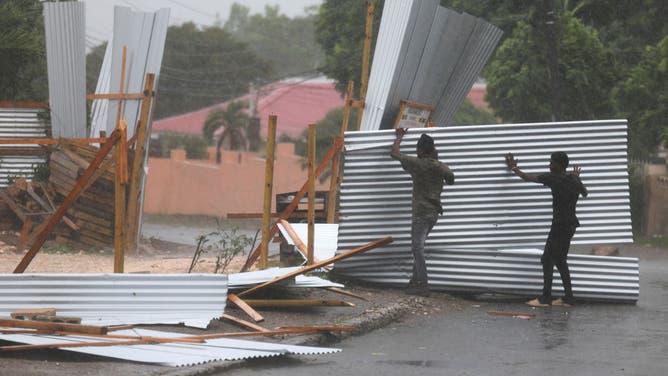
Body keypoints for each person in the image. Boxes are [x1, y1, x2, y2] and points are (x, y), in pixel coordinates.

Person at [505, 151, 588, 307]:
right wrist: (576, 177)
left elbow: (527, 178)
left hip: (559, 226)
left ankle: (545, 298)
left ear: (559, 165)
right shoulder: (573, 179)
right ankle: (568, 298)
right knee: (560, 260)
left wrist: (514, 168)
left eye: (551, 163)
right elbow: (585, 193)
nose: (549, 165)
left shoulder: (553, 178)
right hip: (570, 225)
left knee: (547, 259)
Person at [391, 128, 455, 296]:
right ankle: (414, 282)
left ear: (420, 150)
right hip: (433, 214)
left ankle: (423, 285)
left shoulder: (417, 163)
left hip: (421, 213)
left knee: (417, 248)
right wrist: (437, 161)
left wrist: (399, 136)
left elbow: (395, 154)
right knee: (418, 246)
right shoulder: (439, 166)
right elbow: (451, 178)